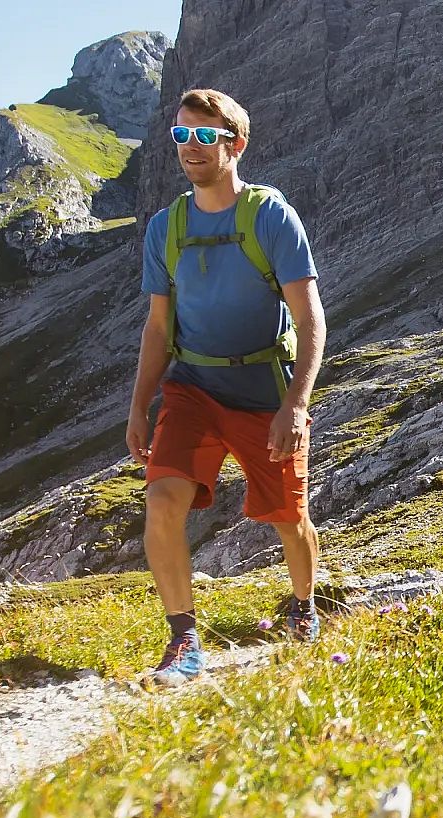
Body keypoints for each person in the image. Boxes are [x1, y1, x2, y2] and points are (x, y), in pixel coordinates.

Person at [127, 88, 327, 685]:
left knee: (289, 518)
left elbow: (312, 319)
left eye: (204, 136)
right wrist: (140, 406)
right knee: (162, 500)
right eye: (181, 135)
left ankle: (303, 607)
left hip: (265, 388)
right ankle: (184, 639)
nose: (190, 146)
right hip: (192, 386)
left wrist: (295, 404)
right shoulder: (166, 228)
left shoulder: (270, 216)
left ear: (234, 144)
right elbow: (159, 326)